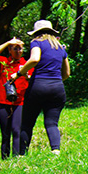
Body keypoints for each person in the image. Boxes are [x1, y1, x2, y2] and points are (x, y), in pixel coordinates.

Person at [10, 20, 70, 156]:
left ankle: (21, 155)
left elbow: (35, 59)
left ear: (36, 33)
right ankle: (55, 152)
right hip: (57, 88)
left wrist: (19, 73)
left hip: (38, 88)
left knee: (27, 123)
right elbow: (66, 74)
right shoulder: (60, 47)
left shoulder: (36, 42)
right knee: (52, 123)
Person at [0, 38, 32, 159]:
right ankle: (5, 158)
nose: (18, 51)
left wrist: (27, 77)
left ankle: (16, 157)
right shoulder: (4, 62)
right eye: (15, 48)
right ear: (9, 50)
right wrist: (8, 42)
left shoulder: (27, 64)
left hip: (20, 102)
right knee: (5, 132)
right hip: (3, 100)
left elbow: (32, 81)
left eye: (20, 48)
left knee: (16, 130)